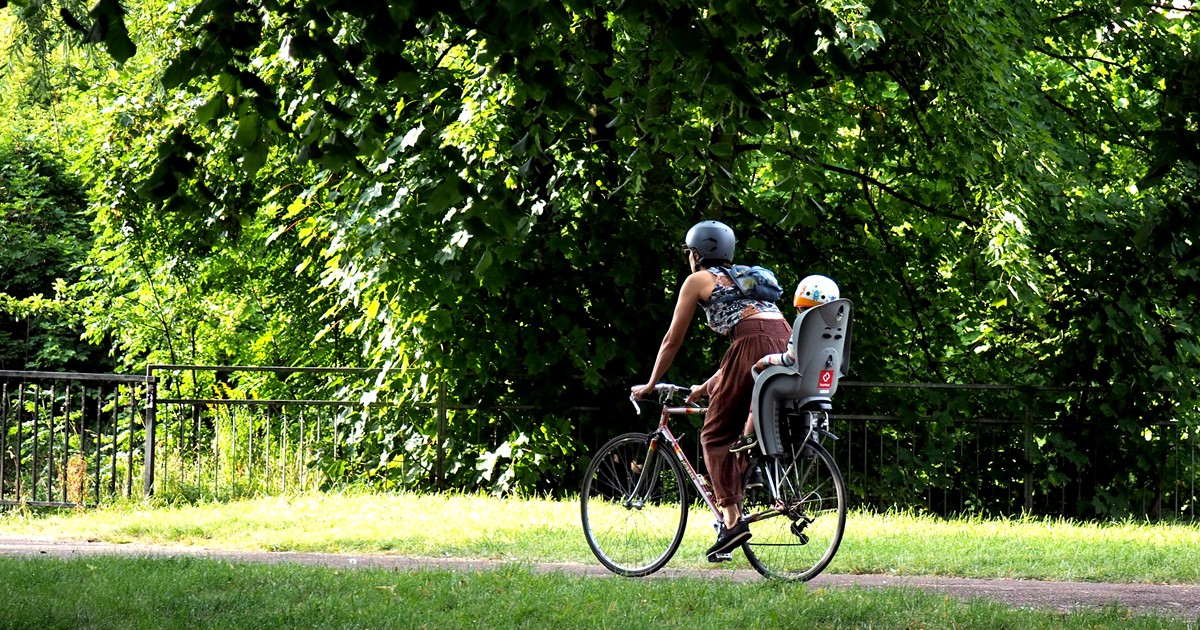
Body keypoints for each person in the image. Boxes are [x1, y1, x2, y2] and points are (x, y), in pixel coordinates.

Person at [631, 220, 791, 561]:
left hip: (751, 345)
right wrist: (709, 384)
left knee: (715, 435)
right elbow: (757, 329)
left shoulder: (698, 280)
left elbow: (672, 340)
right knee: (737, 419)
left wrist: (649, 383)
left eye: (690, 253)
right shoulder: (746, 276)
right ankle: (751, 470)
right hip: (787, 341)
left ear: (697, 254)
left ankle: (732, 521)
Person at [729, 274, 841, 454]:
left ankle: (749, 435)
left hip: (795, 381)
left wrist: (765, 360)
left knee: (762, 383)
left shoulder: (804, 325)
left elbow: (790, 359)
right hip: (825, 383)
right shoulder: (836, 331)